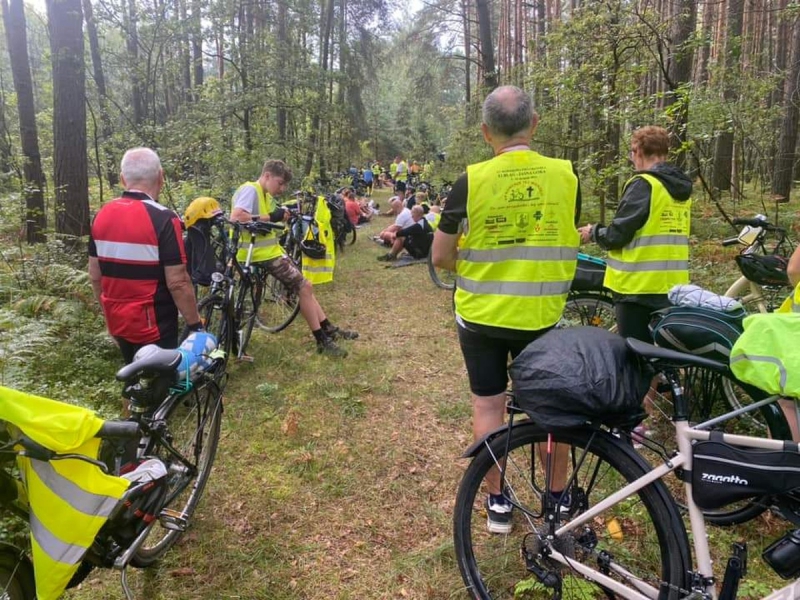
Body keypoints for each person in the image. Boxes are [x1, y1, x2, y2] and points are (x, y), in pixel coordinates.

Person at [432, 86, 581, 534]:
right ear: (534, 124)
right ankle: (556, 502)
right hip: (542, 317)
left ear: (485, 132)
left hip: (481, 317)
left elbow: (440, 256)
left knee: (488, 406)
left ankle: (498, 503)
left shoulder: (471, 180)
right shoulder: (566, 176)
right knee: (547, 412)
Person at [578, 125, 692, 443]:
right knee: (656, 356)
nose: (632, 158)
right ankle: (650, 419)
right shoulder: (680, 188)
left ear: (639, 151)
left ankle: (631, 426)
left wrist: (593, 232)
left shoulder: (644, 185)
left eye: (631, 152)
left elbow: (619, 234)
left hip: (636, 286)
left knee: (632, 357)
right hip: (671, 286)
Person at [229, 159, 358, 358]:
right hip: (257, 254)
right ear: (267, 175)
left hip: (267, 252)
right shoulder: (251, 189)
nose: (282, 188)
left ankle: (328, 328)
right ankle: (321, 339)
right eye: (280, 183)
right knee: (305, 287)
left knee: (305, 287)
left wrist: (281, 214)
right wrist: (272, 217)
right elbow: (236, 217)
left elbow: (265, 215)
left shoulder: (263, 194)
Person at [89, 147, 203, 366]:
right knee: (158, 385)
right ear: (161, 177)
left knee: (132, 380)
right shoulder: (163, 218)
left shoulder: (101, 215)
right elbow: (178, 282)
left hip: (117, 317)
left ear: (122, 179)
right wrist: (194, 324)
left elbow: (95, 276)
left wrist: (108, 316)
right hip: (154, 323)